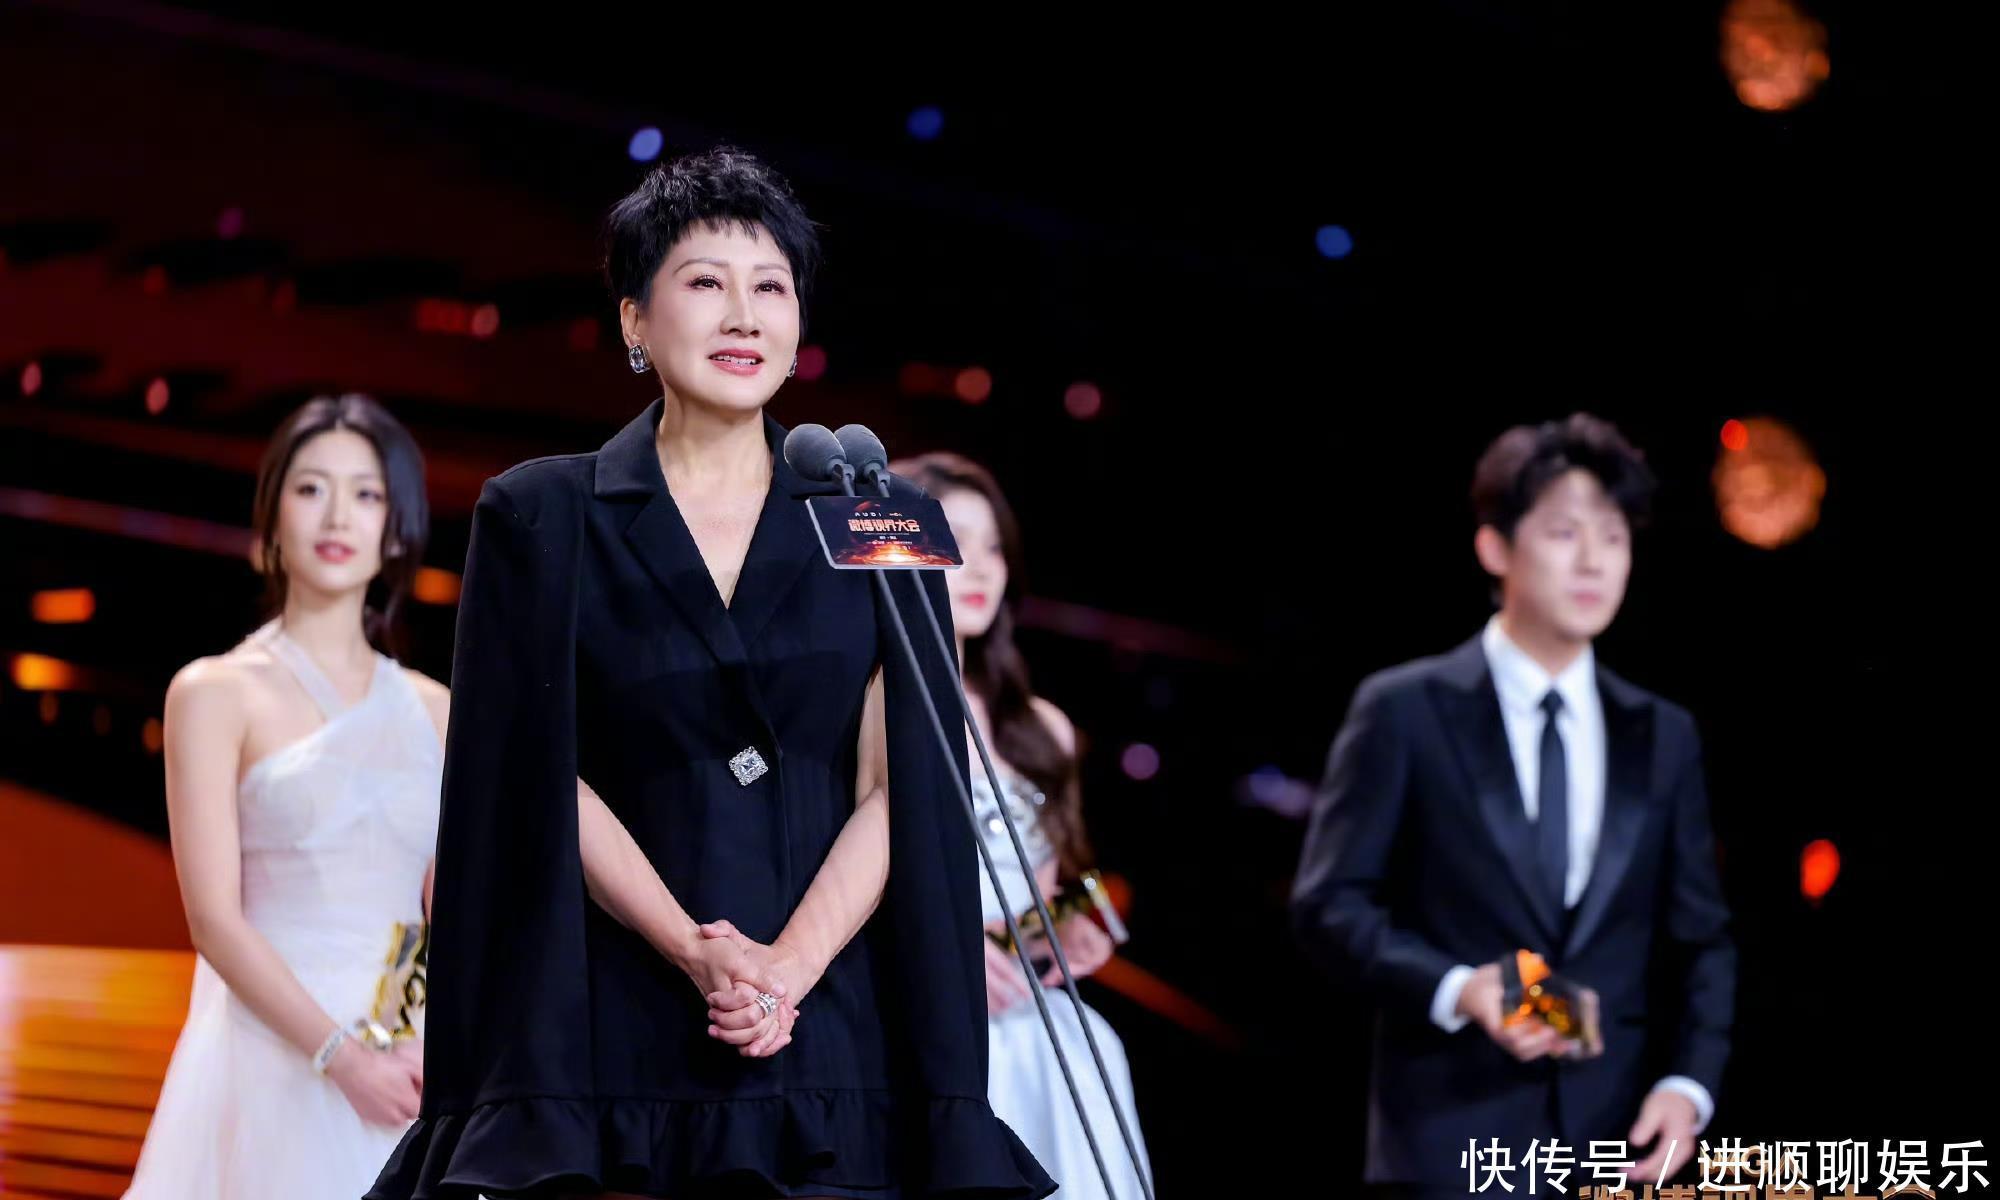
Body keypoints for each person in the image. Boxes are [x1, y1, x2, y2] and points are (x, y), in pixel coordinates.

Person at [368, 148, 1052, 1200]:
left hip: (832, 1033)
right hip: (613, 1026)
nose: (743, 316)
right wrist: (697, 952)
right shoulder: (541, 515)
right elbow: (533, 773)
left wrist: (786, 971)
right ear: (635, 320)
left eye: (770, 287)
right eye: (704, 282)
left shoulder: (881, 515)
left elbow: (905, 783)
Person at [1291, 413, 1735, 1197]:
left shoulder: (1663, 734)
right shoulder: (1404, 709)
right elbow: (1329, 905)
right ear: (1495, 547)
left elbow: (1701, 938)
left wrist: (1687, 1088)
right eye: (1564, 533)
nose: (1594, 560)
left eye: (1614, 537)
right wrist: (1457, 987)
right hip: (1449, 1145)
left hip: (1614, 1145)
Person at [126, 394, 444, 1199]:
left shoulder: (437, 709)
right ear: (271, 518)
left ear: (396, 528)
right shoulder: (214, 692)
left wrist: (426, 1041)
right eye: (310, 489)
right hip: (269, 1051)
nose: (338, 515)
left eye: (366, 494)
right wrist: (341, 1058)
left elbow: (445, 909)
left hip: (408, 1061)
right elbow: (213, 920)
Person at [897, 451, 1152, 1200]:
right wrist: (947, 956)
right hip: (922, 1019)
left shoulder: (1041, 727)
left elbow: (1038, 896)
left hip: (1029, 1024)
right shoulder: (868, 706)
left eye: (996, 547)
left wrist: (1060, 933)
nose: (981, 567)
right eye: (955, 540)